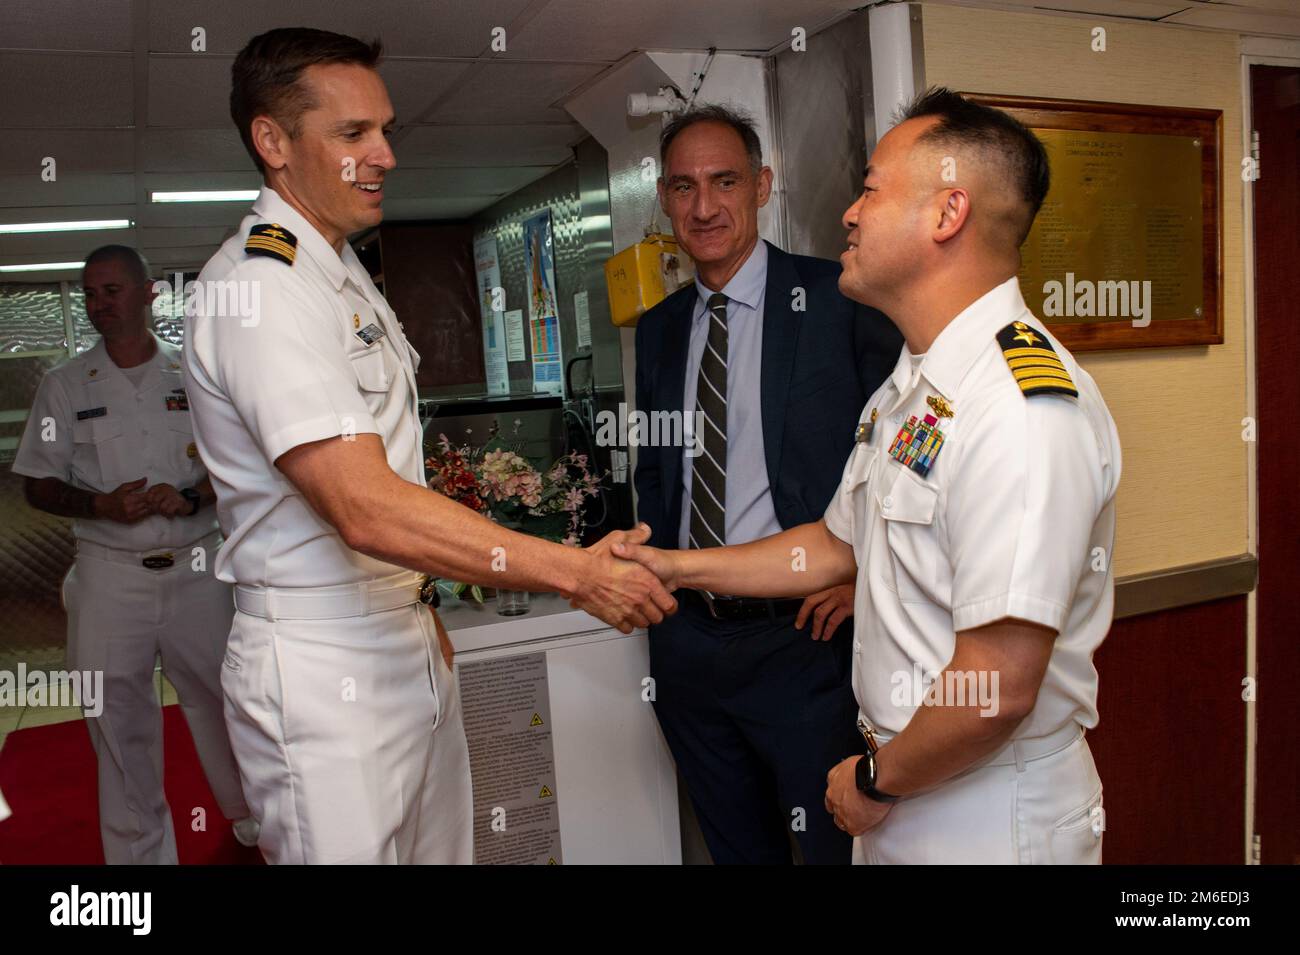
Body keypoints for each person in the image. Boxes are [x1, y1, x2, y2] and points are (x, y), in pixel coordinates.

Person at [183, 27, 674, 864]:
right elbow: (362, 505)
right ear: (272, 141)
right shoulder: (260, 288)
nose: (384, 155)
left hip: (400, 642)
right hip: (321, 667)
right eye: (352, 134)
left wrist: (417, 613)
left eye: (385, 130)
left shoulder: (337, 271)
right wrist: (576, 570)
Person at [615, 88, 1121, 864]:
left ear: (946, 214)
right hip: (910, 785)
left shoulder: (1020, 407)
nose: (849, 213)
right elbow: (829, 544)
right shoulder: (915, 387)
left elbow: (998, 685)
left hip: (984, 811)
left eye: (872, 189)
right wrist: (676, 565)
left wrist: (878, 778)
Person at [634, 105, 902, 863]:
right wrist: (664, 617)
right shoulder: (659, 329)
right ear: (663, 197)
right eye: (684, 187)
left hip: (805, 645)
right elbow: (656, 475)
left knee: (827, 849)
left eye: (724, 181)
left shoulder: (838, 301)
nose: (704, 206)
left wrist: (861, 576)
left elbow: (897, 463)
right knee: (736, 851)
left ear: (762, 185)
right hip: (690, 649)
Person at [12, 245, 255, 864]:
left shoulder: (195, 375)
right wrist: (100, 507)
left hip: (198, 571)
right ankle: (142, 861)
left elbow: (237, 467)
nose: (99, 306)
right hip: (107, 576)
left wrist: (192, 498)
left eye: (112, 291)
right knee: (117, 723)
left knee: (229, 703)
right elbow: (36, 483)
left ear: (150, 294)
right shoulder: (64, 386)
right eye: (91, 294)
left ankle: (254, 818)